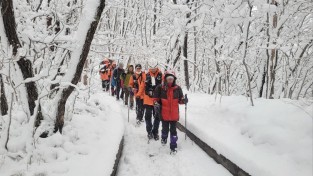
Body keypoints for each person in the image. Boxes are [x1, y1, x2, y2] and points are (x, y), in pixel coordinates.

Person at [154, 70, 188, 153]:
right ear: (165, 79)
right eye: (168, 78)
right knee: (165, 130)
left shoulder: (178, 88)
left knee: (173, 131)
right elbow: (156, 99)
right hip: (164, 114)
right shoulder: (160, 88)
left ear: (174, 79)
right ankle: (164, 138)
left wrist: (184, 101)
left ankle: (173, 146)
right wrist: (156, 104)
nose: (170, 80)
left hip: (174, 115)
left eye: (171, 78)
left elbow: (180, 100)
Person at [142, 60, 163, 140]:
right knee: (148, 117)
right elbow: (142, 86)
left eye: (154, 68)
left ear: (157, 67)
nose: (153, 69)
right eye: (151, 68)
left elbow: (165, 86)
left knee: (157, 117)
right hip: (148, 100)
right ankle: (149, 131)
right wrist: (138, 94)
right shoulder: (146, 75)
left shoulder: (161, 75)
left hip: (157, 100)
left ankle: (155, 131)